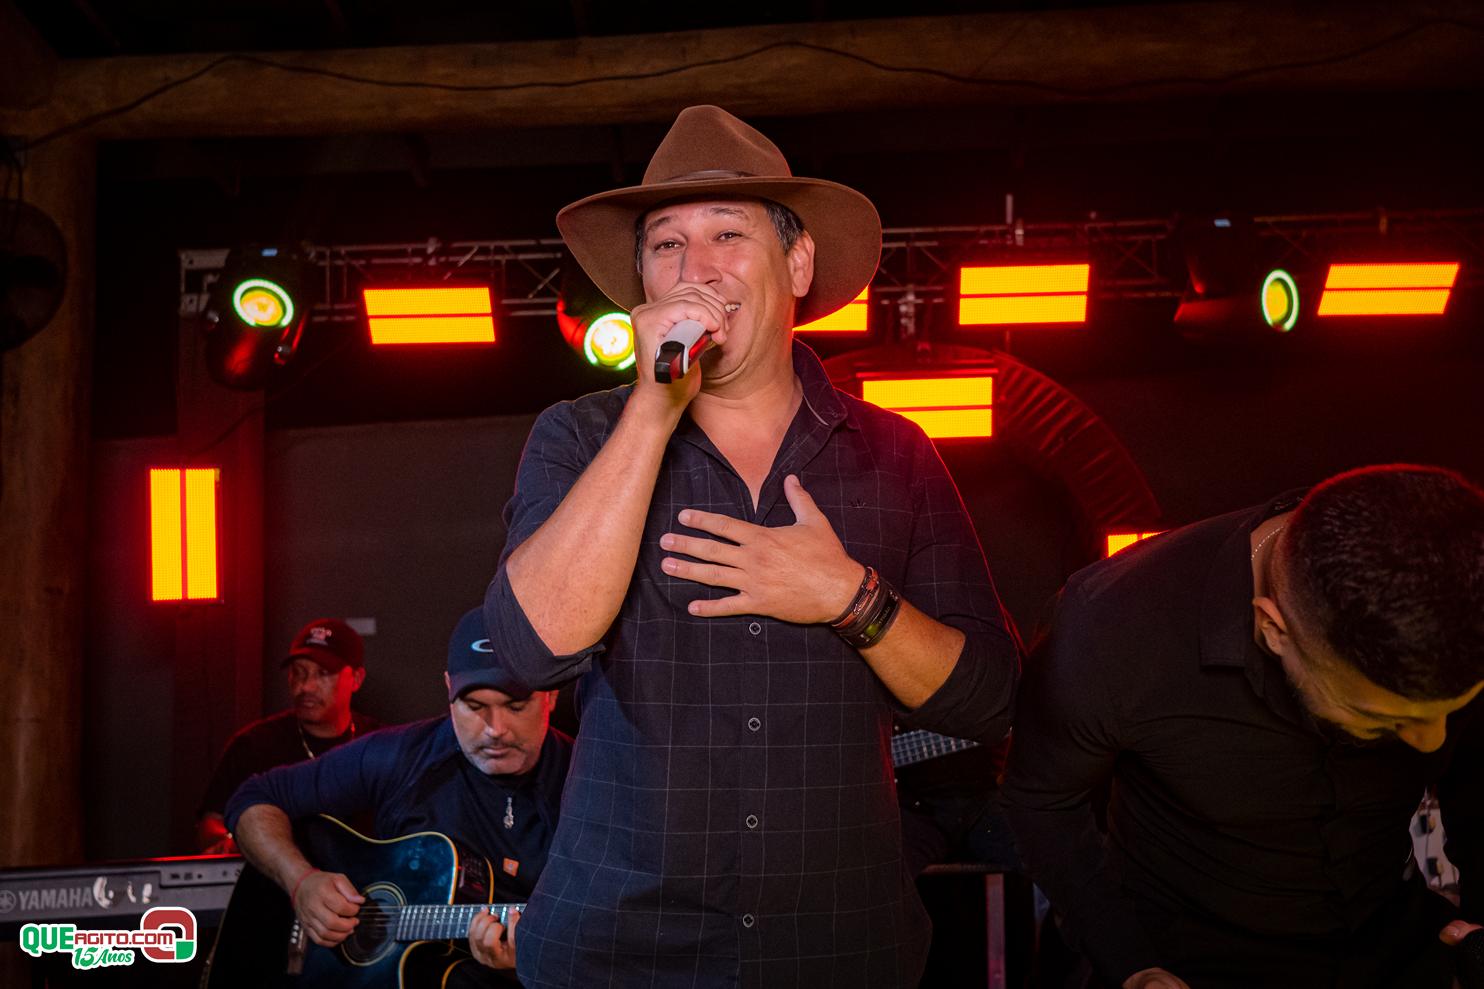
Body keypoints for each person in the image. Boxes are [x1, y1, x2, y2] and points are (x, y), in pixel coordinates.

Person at [484, 104, 1020, 987]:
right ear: (642, 281)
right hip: (619, 951)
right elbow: (531, 647)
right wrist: (652, 407)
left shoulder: (895, 454)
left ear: (797, 262)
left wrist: (852, 599)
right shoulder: (578, 435)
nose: (695, 267)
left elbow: (988, 698)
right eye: (666, 244)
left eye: (727, 233)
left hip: (835, 950)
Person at [1002, 465, 1484, 989]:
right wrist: (1130, 962)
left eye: (1454, 709)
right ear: (1273, 629)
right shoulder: (1112, 627)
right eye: (1387, 719)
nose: (1433, 741)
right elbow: (1042, 802)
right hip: (1190, 962)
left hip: (1398, 948)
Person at [225, 607, 572, 983]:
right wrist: (300, 882)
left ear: (550, 694)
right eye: (474, 707)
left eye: (516, 706)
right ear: (448, 690)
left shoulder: (586, 784)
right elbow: (253, 799)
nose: (495, 729)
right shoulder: (402, 755)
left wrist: (529, 963)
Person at [197, 617, 381, 853]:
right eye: (298, 672)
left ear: (356, 679)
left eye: (323, 673)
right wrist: (237, 844)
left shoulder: (379, 744)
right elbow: (211, 827)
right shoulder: (254, 745)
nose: (306, 686)